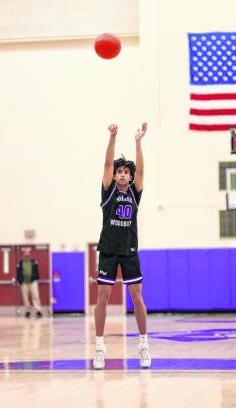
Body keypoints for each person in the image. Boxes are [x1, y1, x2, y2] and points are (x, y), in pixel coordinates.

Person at [93, 122, 151, 369]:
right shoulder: (108, 192)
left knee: (137, 297)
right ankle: (99, 346)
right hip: (107, 250)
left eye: (127, 172)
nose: (124, 175)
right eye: (120, 172)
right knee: (103, 297)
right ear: (115, 176)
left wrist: (138, 142)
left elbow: (142, 173)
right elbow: (107, 164)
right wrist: (113, 137)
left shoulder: (135, 194)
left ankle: (143, 344)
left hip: (129, 251)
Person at [16, 251, 43, 318]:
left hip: (33, 281)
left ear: (30, 256)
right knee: (25, 297)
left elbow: (37, 271)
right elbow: (18, 272)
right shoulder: (20, 263)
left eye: (28, 256)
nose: (27, 257)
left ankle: (38, 311)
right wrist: (19, 281)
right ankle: (28, 311)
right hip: (24, 282)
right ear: (23, 256)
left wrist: (36, 278)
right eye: (25, 256)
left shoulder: (34, 262)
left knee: (35, 296)